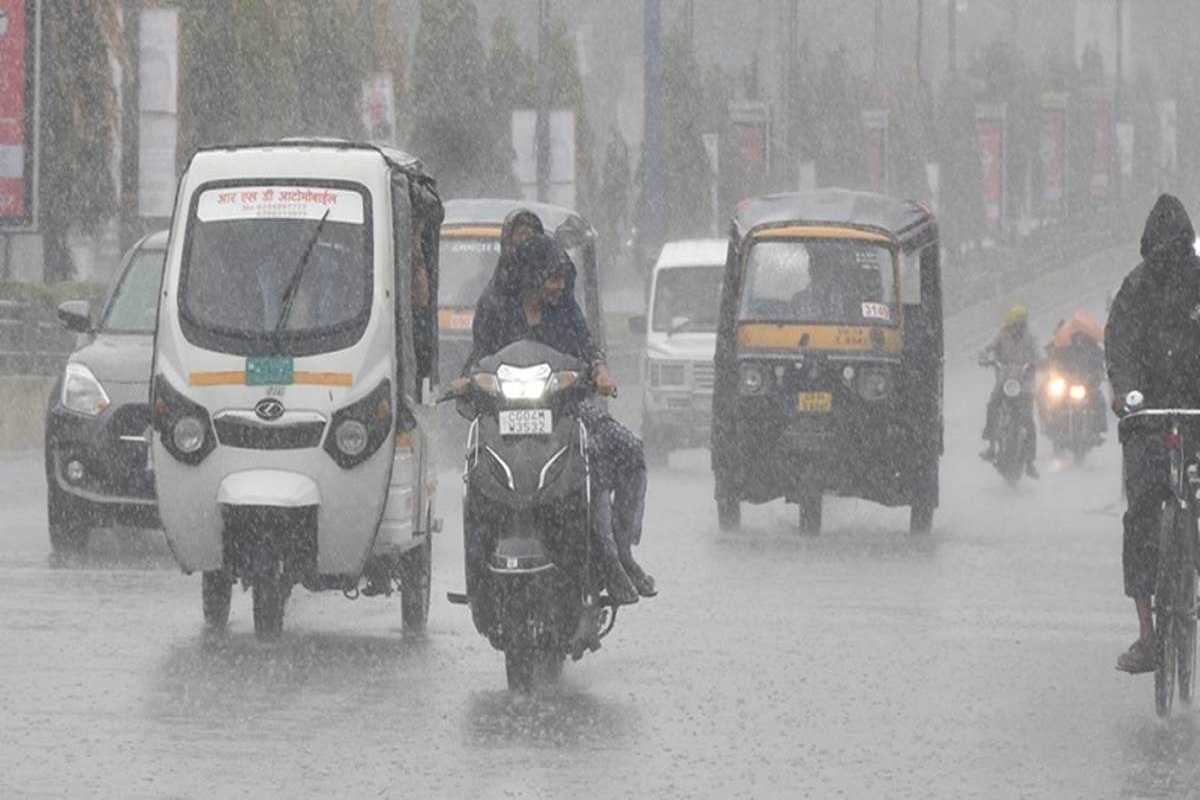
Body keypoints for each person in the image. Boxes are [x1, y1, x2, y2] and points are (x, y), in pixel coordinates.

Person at [453, 233, 656, 605]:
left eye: (562, 278)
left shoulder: (565, 309)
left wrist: (599, 372)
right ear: (530, 275)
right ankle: (481, 568)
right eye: (552, 278)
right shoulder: (497, 308)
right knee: (477, 470)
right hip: (505, 416)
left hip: (566, 410)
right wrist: (467, 381)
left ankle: (617, 554)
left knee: (624, 452)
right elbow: (478, 356)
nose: (558, 286)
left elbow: (589, 348)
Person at [1106, 193, 1200, 674]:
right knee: (1141, 515)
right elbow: (1118, 343)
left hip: (1196, 412)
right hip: (1147, 417)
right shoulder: (1135, 289)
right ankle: (1148, 634)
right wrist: (1124, 392)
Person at [979, 305, 1042, 478]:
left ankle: (1029, 462)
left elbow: (1040, 352)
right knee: (992, 405)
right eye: (1014, 325)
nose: (1017, 329)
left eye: (1020, 325)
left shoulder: (1031, 336)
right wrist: (984, 356)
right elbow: (986, 347)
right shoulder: (1001, 334)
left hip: (1025, 386)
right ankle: (991, 445)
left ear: (1024, 325)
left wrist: (1039, 362)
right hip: (1004, 382)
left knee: (1028, 422)